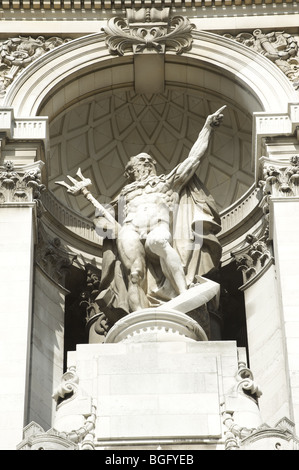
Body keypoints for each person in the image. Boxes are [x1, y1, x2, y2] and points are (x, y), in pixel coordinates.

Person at [94, 106, 225, 320]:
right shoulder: (124, 195)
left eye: (149, 161)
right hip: (130, 229)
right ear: (131, 170)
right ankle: (139, 317)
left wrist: (207, 128)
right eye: (140, 161)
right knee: (134, 274)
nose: (146, 164)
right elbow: (104, 219)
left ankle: (183, 293)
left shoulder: (166, 184)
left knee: (158, 243)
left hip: (158, 227)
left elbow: (193, 160)